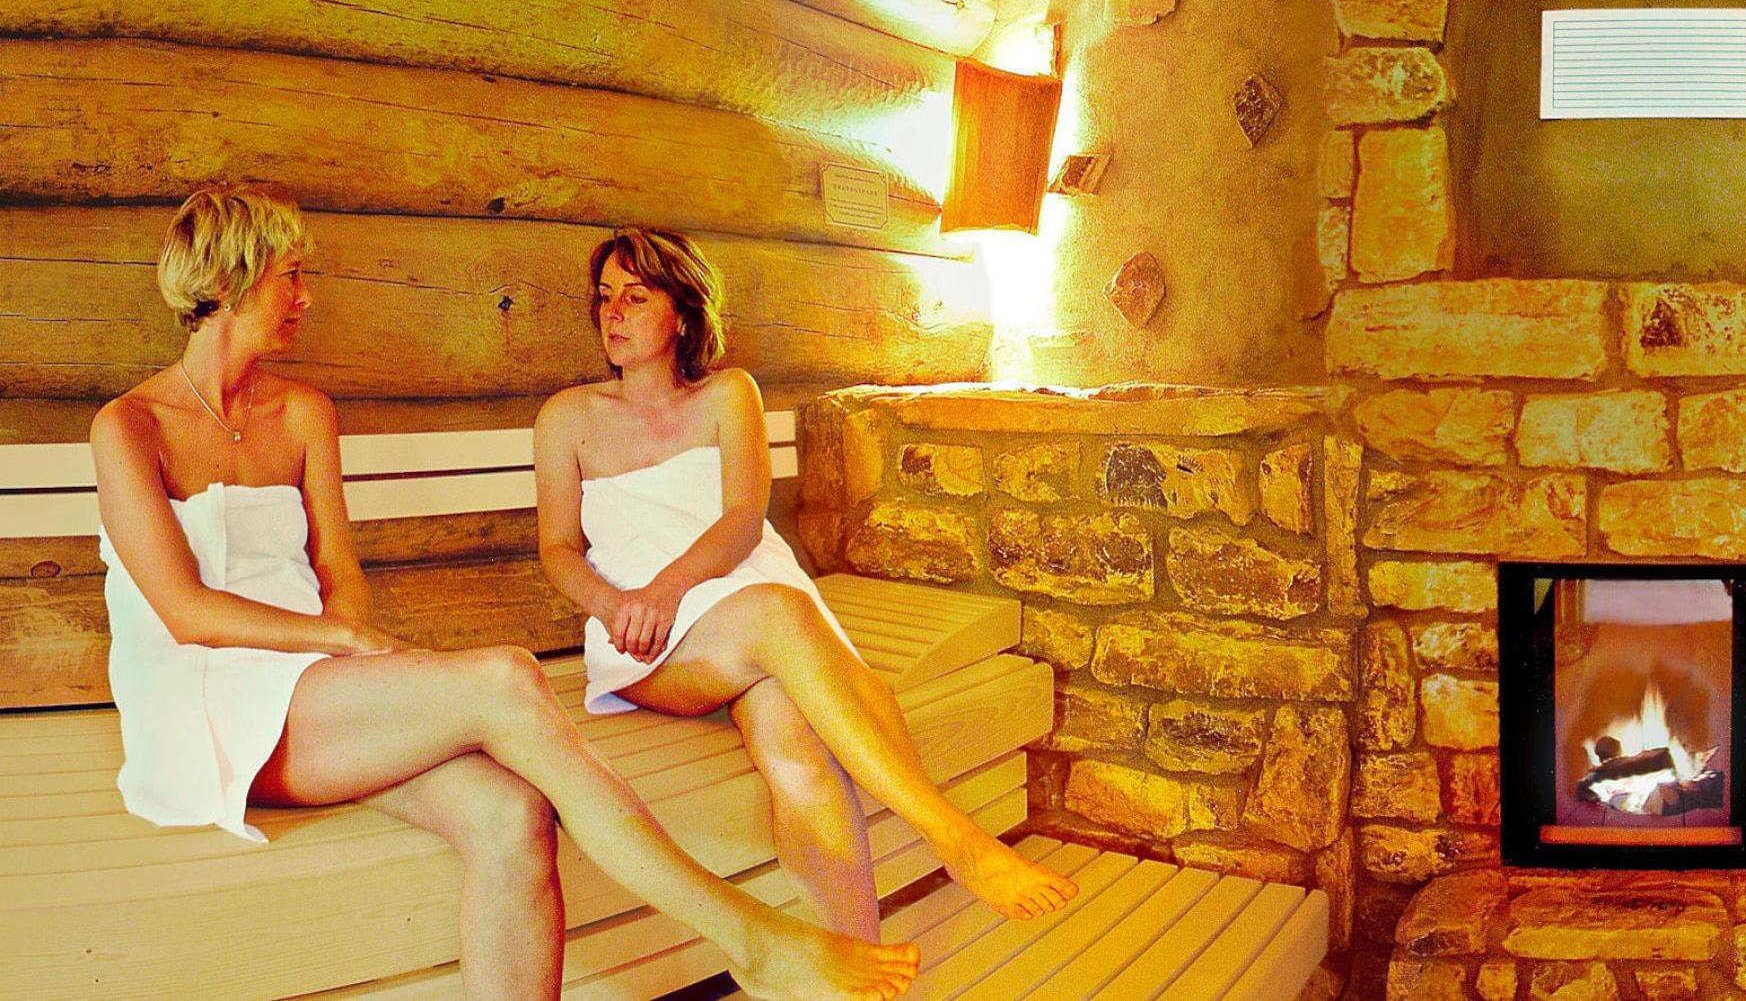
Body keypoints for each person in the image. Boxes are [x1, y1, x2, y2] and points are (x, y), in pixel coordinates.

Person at [90, 183, 917, 1001]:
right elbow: (183, 610)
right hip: (204, 704)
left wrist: (361, 664)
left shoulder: (304, 413)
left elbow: (339, 573)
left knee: (514, 815)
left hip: (313, 693)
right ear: (232, 280)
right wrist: (346, 645)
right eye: (291, 276)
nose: (306, 296)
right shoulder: (130, 426)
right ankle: (752, 939)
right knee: (507, 675)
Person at [533, 227, 1079, 941]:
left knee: (795, 740)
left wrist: (672, 585)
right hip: (646, 637)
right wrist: (617, 605)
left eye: (635, 297)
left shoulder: (730, 394)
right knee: (786, 618)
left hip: (742, 599)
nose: (613, 312)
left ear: (683, 313)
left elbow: (741, 521)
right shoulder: (567, 418)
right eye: (605, 296)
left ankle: (854, 960)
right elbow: (557, 549)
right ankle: (956, 838)